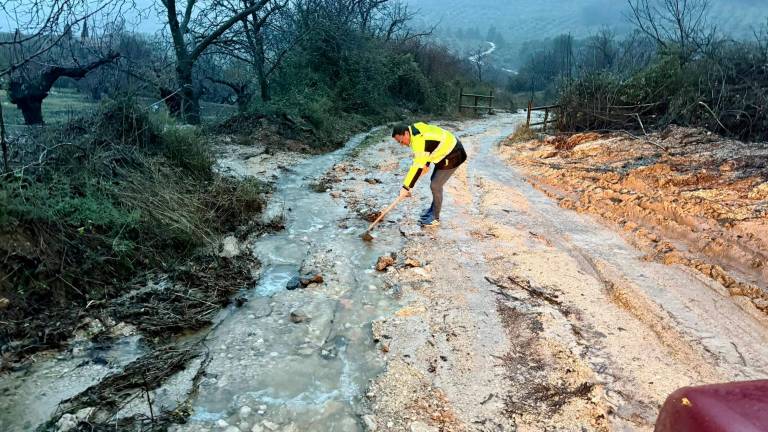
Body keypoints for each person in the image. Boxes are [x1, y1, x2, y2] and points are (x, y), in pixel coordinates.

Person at [392, 122, 467, 227]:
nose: (402, 144)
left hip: (454, 154)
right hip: (444, 152)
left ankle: (435, 218)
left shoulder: (418, 140)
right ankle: (432, 211)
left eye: (401, 141)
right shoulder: (414, 129)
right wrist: (426, 163)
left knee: (435, 185)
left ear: (406, 133)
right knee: (434, 180)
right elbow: (429, 145)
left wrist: (406, 187)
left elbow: (417, 166)